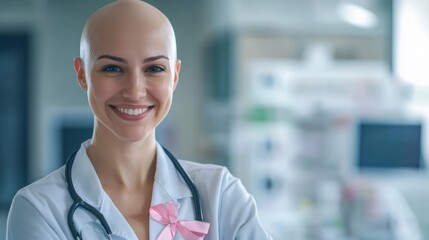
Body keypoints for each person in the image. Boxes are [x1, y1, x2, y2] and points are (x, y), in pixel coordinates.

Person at [6, 0, 272, 239]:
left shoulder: (222, 196)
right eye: (112, 68)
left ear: (175, 76)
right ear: (82, 74)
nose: (134, 90)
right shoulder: (39, 209)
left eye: (154, 69)